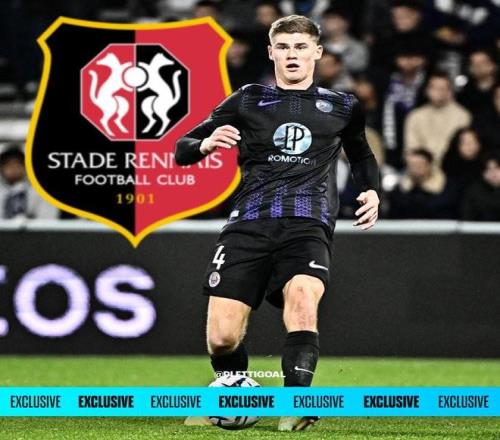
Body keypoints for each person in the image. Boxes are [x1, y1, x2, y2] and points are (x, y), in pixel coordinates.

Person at [175, 14, 380, 431]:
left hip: (307, 224)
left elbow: (361, 155)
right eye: (283, 47)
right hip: (248, 224)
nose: (292, 55)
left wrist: (371, 190)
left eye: (301, 47)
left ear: (317, 52)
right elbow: (183, 147)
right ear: (271, 52)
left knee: (303, 299)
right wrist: (207, 143)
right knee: (222, 338)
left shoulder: (343, 106)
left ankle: (297, 402)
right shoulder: (248, 99)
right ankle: (233, 393)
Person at [404, 72, 471, 165]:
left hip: (454, 167)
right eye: (434, 88)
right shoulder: (415, 116)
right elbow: (412, 149)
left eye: (443, 88)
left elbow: (465, 149)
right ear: (427, 91)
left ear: (450, 92)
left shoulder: (463, 116)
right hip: (422, 167)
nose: (438, 92)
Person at [389, 148, 460, 219]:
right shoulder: (400, 190)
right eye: (412, 165)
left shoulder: (447, 189)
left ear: (429, 166)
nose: (415, 168)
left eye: (419, 164)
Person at [0, 145, 59, 219]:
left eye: (18, 164)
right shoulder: (2, 192)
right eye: (8, 164)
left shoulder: (39, 192)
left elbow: (48, 220)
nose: (13, 168)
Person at [461, 151, 500, 222]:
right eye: (488, 169)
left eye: (497, 168)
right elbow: (467, 217)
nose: (493, 172)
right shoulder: (474, 192)